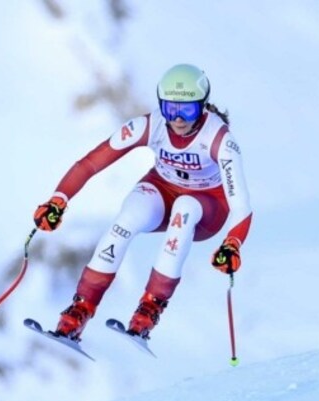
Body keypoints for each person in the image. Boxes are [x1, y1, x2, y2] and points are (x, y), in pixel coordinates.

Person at [33, 63, 253, 342]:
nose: (179, 119)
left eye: (188, 110)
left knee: (184, 209)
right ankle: (80, 309)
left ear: (203, 106)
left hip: (206, 207)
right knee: (129, 214)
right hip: (162, 191)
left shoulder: (220, 139)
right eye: (171, 109)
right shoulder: (151, 125)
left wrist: (233, 243)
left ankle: (150, 308)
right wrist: (58, 200)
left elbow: (241, 204)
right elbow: (90, 163)